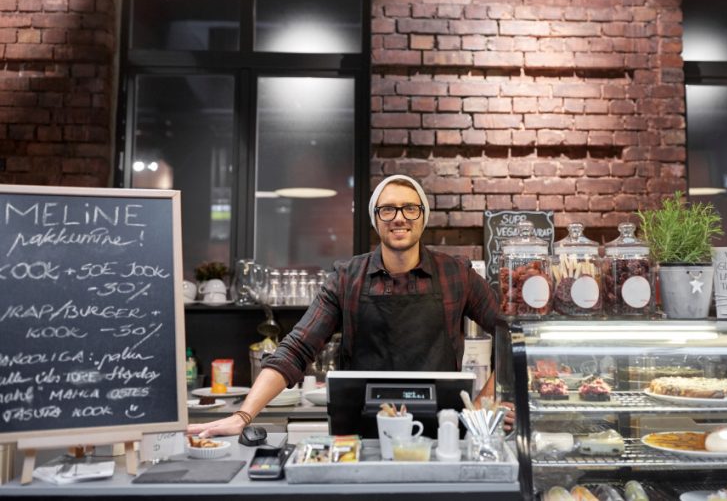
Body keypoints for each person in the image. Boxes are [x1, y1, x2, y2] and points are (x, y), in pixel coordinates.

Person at [189, 175, 512, 437]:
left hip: (443, 428)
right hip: (360, 429)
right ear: (375, 220)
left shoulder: (457, 273)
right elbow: (297, 348)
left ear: (423, 217)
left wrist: (486, 399)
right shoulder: (347, 278)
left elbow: (511, 335)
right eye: (387, 210)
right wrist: (243, 415)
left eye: (410, 209)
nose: (399, 218)